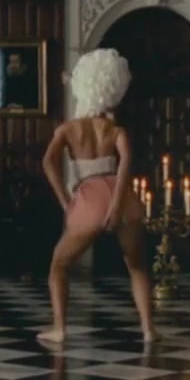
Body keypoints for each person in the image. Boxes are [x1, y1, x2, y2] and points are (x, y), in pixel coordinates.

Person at [38, 48, 158, 345]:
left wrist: (64, 200)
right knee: (137, 265)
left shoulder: (68, 129)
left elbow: (47, 162)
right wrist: (116, 206)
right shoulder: (116, 131)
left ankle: (59, 329)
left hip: (89, 198)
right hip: (122, 195)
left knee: (59, 265)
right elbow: (126, 164)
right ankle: (148, 329)